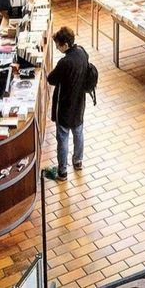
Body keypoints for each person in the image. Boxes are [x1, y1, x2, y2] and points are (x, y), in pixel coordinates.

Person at [47, 26, 90, 181]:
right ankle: (78, 161)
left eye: (58, 45)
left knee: (63, 138)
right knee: (78, 133)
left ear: (65, 44)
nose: (58, 48)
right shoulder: (82, 52)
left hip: (64, 106)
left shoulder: (64, 63)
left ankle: (62, 171)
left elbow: (51, 79)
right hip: (79, 104)